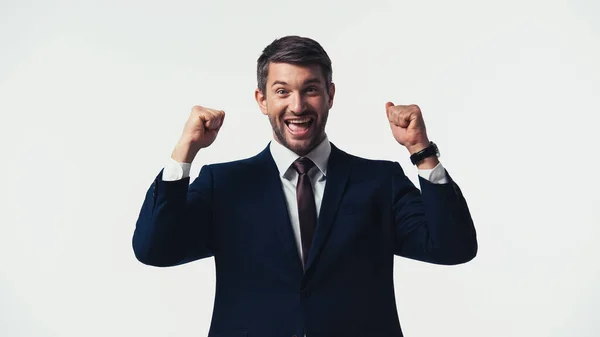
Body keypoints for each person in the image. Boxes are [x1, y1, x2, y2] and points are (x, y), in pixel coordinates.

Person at [132, 35, 477, 337]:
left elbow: (453, 247)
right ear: (262, 100)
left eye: (310, 89)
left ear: (329, 95)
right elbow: (154, 249)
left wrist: (421, 150)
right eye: (282, 91)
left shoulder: (379, 182)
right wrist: (184, 152)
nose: (297, 106)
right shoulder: (224, 185)